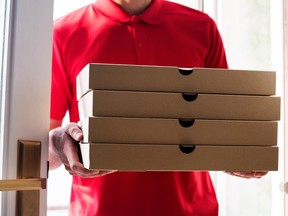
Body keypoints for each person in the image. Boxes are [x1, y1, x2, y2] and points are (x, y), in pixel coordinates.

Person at [49, 0, 267, 215]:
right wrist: (56, 143)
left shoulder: (202, 27)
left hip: (192, 210)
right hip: (100, 211)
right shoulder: (62, 33)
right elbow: (39, 153)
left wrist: (244, 151)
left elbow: (223, 124)